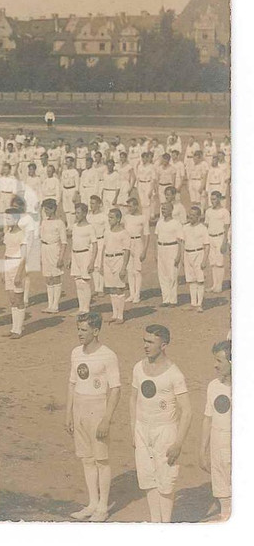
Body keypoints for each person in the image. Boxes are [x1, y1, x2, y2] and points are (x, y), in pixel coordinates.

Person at [130, 324, 191, 523]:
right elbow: (133, 399)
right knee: (148, 478)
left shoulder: (174, 374)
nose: (145, 346)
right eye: (144, 341)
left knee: (165, 481)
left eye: (150, 342)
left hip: (165, 432)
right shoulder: (138, 368)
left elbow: (187, 411)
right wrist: (133, 430)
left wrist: (178, 443)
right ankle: (155, 522)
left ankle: (166, 525)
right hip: (142, 429)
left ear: (163, 345)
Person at [66, 312, 121, 522]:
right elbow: (72, 383)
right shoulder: (75, 353)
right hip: (79, 408)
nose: (79, 334)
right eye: (78, 329)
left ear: (96, 331)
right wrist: (68, 413)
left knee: (101, 460)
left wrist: (106, 419)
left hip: (97, 409)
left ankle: (103, 507)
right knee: (87, 459)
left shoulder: (108, 355)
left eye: (84, 330)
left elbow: (116, 389)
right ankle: (92, 503)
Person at [199, 340, 232, 521]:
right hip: (218, 446)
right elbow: (207, 418)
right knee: (221, 489)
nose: (215, 365)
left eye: (219, 361)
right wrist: (203, 450)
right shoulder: (213, 386)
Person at [101, 208, 130, 324]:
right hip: (108, 259)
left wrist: (123, 267)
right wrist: (102, 264)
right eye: (108, 217)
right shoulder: (107, 232)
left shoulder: (124, 233)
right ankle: (114, 314)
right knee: (111, 288)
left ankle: (120, 316)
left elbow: (127, 251)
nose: (109, 220)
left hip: (118, 259)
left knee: (119, 287)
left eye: (112, 217)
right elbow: (104, 247)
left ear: (118, 219)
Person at [3, 208, 28, 338]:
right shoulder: (7, 233)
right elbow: (6, 252)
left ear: (16, 219)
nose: (7, 221)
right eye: (5, 218)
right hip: (8, 266)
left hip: (17, 266)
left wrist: (19, 274)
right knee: (12, 299)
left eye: (9, 218)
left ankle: (19, 330)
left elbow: (24, 257)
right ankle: (13, 328)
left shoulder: (21, 235)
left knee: (19, 299)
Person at [39, 199, 67, 314]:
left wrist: (61, 258)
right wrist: (40, 255)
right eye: (44, 209)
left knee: (56, 277)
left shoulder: (59, 223)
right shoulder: (44, 222)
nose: (45, 211)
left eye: (47, 209)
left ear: (53, 209)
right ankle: (50, 304)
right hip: (44, 249)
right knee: (48, 277)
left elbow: (64, 242)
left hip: (54, 249)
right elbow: (41, 238)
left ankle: (55, 305)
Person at [154, 202, 185, 307]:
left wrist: (179, 255)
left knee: (172, 275)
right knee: (162, 275)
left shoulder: (176, 223)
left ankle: (173, 300)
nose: (163, 211)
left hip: (172, 248)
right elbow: (156, 238)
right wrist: (156, 253)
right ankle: (165, 299)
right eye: (162, 209)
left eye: (165, 209)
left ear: (171, 210)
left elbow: (181, 241)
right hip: (161, 249)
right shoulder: (159, 223)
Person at [181, 205, 210, 312]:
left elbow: (207, 245)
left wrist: (204, 260)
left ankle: (199, 304)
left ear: (198, 217)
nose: (191, 217)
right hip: (187, 254)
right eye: (190, 214)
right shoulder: (185, 227)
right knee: (191, 280)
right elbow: (183, 243)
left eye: (193, 215)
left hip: (199, 254)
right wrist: (183, 258)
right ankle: (193, 303)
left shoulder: (202, 228)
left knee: (200, 280)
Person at [204, 191, 230, 294]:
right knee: (213, 263)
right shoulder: (208, 211)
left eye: (214, 199)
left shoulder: (224, 212)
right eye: (211, 199)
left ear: (219, 199)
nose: (212, 201)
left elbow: (226, 227)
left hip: (220, 237)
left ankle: (219, 286)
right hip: (210, 238)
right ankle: (214, 285)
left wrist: (225, 241)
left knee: (219, 263)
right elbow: (206, 226)